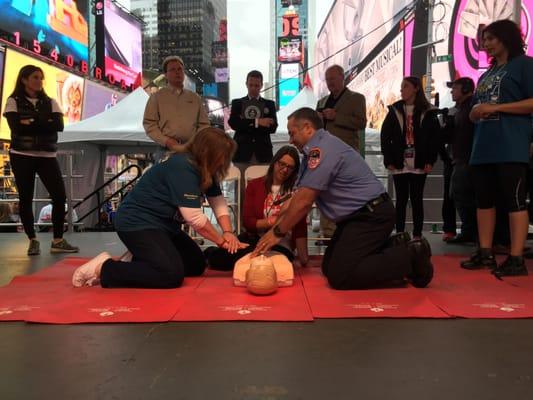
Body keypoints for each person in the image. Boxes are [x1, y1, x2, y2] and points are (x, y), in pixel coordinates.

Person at [253, 108, 433, 290]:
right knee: (329, 266)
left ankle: (411, 255)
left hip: (371, 216)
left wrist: (277, 233)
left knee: (340, 275)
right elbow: (297, 197)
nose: (291, 140)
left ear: (307, 128)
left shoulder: (322, 150)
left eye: (292, 133)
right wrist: (274, 226)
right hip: (357, 217)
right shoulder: (314, 152)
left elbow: (304, 202)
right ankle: (396, 244)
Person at [72, 128, 248, 288]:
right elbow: (194, 218)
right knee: (170, 274)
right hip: (137, 223)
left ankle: (139, 257)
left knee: (195, 264)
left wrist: (228, 232)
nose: (224, 161)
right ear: (207, 153)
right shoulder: (183, 167)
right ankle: (104, 268)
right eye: (222, 156)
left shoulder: (205, 169)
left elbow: (217, 200)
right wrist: (222, 241)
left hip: (164, 227)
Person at [460, 20, 533, 277]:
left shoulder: (525, 65)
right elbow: (476, 109)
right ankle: (485, 252)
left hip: (511, 145)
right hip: (483, 146)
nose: (486, 44)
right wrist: (474, 113)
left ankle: (515, 258)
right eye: (485, 39)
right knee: (483, 201)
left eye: (491, 38)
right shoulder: (486, 74)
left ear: (506, 38)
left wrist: (496, 108)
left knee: (515, 202)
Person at [2, 65, 79, 256]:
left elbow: (59, 126)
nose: (39, 81)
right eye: (35, 77)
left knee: (59, 197)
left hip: (47, 156)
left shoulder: (51, 101)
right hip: (21, 155)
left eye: (41, 78)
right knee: (26, 198)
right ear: (24, 79)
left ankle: (58, 240)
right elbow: (16, 128)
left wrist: (30, 121)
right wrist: (45, 123)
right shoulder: (13, 101)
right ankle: (32, 240)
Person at [205, 145, 308, 269]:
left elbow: (300, 226)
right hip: (253, 238)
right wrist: (274, 221)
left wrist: (304, 258)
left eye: (290, 167)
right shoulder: (255, 185)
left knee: (262, 262)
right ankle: (210, 253)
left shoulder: (296, 192)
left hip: (281, 245)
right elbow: (248, 222)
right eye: (282, 164)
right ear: (274, 163)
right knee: (225, 259)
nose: (285, 170)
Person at [380, 76, 441, 239]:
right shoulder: (395, 110)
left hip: (419, 160)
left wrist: (430, 160)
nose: (402, 90)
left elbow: (434, 138)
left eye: (405, 86)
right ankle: (399, 232)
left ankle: (417, 235)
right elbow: (385, 136)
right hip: (400, 161)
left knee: (416, 199)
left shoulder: (427, 111)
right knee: (400, 200)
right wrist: (389, 159)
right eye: (401, 87)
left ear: (416, 88)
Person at [316, 65, 367, 240]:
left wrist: (335, 117)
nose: (330, 82)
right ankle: (328, 232)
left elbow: (361, 123)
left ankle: (349, 231)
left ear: (342, 78)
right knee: (326, 193)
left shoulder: (356, 98)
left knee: (346, 194)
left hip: (346, 155)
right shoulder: (322, 102)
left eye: (333, 78)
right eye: (327, 79)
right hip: (325, 155)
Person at [143, 55, 210, 153]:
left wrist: (194, 142)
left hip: (191, 149)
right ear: (165, 74)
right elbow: (149, 124)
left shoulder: (195, 98)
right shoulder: (157, 97)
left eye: (180, 69)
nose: (177, 72)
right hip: (165, 149)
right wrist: (167, 141)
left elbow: (204, 124)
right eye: (173, 69)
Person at [229, 70, 278, 197]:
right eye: (251, 85)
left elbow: (273, 127)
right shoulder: (237, 103)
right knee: (241, 193)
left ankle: (263, 217)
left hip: (263, 154)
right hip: (242, 154)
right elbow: (234, 123)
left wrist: (245, 122)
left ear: (261, 85)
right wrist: (258, 122)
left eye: (256, 85)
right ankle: (241, 218)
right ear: (246, 84)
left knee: (263, 192)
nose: (253, 88)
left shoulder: (269, 104)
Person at [442, 77, 477, 244]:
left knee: (463, 196)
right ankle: (469, 231)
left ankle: (469, 232)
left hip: (466, 159)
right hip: (460, 159)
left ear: (465, 89)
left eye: (455, 88)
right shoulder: (460, 109)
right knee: (460, 196)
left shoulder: (470, 108)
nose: (452, 91)